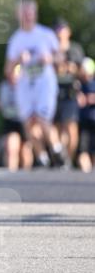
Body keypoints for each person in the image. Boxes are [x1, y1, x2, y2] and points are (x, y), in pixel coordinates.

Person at [4, 0, 64, 168]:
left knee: (43, 119)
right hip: (25, 86)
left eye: (31, 13)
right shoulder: (16, 39)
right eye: (24, 14)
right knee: (29, 123)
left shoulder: (46, 34)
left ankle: (57, 151)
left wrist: (50, 58)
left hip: (44, 84)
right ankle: (42, 157)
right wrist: (18, 60)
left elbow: (60, 58)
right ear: (19, 16)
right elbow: (8, 69)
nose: (28, 17)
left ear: (35, 14)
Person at [54, 19, 85, 168]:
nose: (60, 32)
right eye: (58, 29)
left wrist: (72, 69)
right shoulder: (51, 48)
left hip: (70, 92)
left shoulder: (75, 49)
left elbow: (82, 72)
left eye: (63, 29)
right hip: (54, 92)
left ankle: (68, 160)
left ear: (68, 31)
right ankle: (61, 159)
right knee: (58, 128)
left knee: (71, 130)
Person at [0, 77, 33, 171]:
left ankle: (26, 175)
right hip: (10, 120)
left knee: (25, 150)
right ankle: (10, 173)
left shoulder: (26, 85)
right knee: (11, 148)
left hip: (24, 121)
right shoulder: (4, 86)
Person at [76, 57, 95, 173]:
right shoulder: (79, 84)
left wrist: (87, 99)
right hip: (84, 121)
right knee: (83, 150)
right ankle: (87, 173)